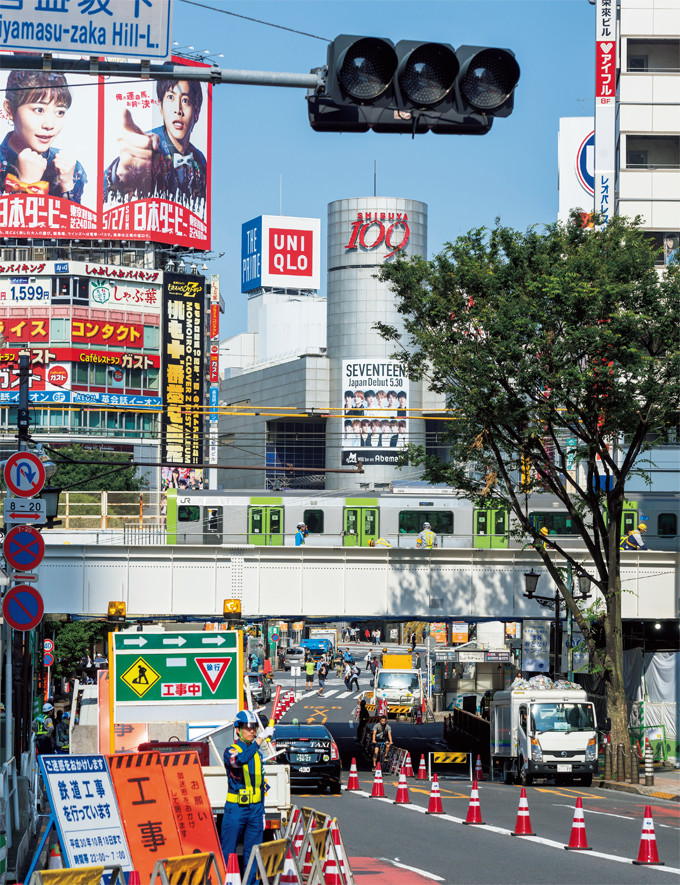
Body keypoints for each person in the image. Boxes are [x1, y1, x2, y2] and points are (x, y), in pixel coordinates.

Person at [103, 79, 207, 211]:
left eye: (185, 100)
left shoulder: (200, 160)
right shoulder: (147, 146)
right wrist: (120, 175)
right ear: (160, 107)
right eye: (170, 97)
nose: (178, 110)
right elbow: (102, 192)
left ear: (196, 112)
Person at [1, 70, 86, 203]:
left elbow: (76, 222)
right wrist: (27, 183)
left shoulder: (71, 170)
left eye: (60, 112)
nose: (50, 125)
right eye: (39, 110)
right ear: (10, 109)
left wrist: (67, 186)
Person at [220, 709, 273, 884]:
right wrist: (259, 740)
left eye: (254, 727)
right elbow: (239, 761)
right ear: (237, 729)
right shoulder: (230, 751)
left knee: (254, 854)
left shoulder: (257, 755)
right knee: (228, 852)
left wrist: (263, 811)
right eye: (247, 727)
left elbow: (261, 785)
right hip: (236, 809)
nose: (252, 730)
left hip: (256, 810)